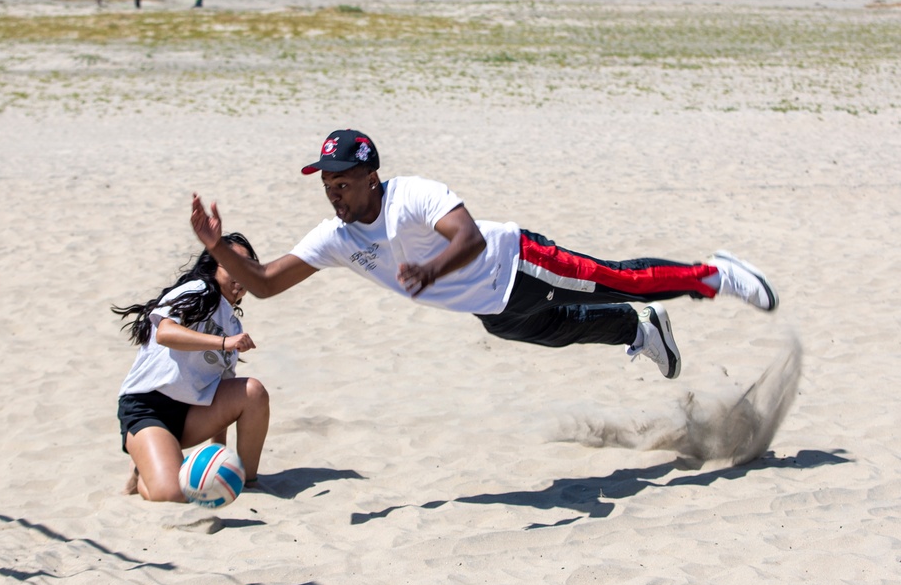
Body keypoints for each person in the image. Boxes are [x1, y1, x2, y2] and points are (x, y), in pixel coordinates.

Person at [190, 130, 779, 381]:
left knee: (621, 278)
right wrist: (217, 246)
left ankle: (717, 275)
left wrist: (430, 269)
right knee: (557, 334)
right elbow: (264, 282)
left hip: (521, 263)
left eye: (342, 182)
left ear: (371, 175)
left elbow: (467, 238)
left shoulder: (412, 196)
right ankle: (639, 330)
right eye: (326, 184)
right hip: (494, 309)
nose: (333, 192)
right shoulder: (338, 238)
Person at [113, 232, 270, 502]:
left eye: (247, 268)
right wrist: (224, 342)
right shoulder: (196, 290)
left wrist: (218, 457)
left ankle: (248, 482)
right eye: (232, 264)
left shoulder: (233, 324)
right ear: (212, 265)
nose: (240, 274)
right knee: (173, 493)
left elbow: (218, 392)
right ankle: (142, 471)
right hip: (148, 408)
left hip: (190, 415)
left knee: (252, 392)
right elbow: (165, 333)